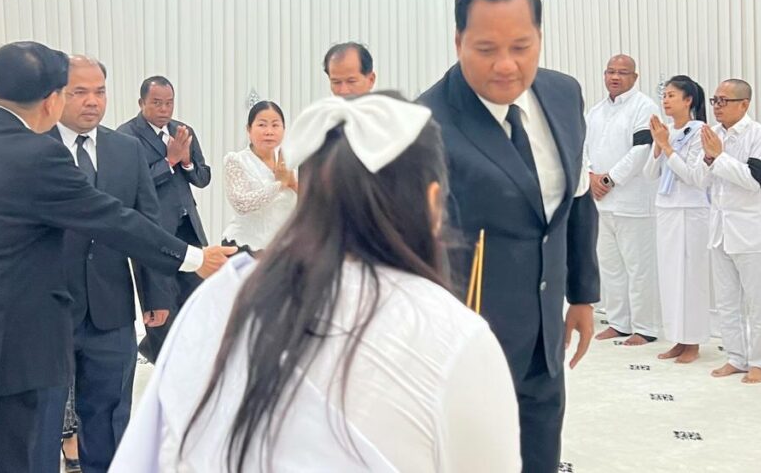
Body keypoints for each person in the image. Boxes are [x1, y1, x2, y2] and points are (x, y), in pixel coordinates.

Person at [112, 94, 521, 472]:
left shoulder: (218, 303)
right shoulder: (454, 334)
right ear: (433, 203)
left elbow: (148, 454)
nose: (268, 130)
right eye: (262, 123)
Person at [0, 41, 234, 472]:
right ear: (52, 98)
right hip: (1, 359)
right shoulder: (34, 153)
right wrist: (195, 258)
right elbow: (110, 218)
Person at [419, 0, 599, 473]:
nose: (506, 65)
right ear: (458, 41)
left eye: (521, 47)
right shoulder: (426, 123)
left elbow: (578, 196)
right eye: (486, 49)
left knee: (540, 457)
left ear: (539, 35)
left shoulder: (563, 95)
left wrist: (581, 294)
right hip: (468, 349)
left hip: (545, 340)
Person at [38, 55, 176, 472]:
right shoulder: (34, 147)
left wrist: (155, 294)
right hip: (45, 309)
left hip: (111, 306)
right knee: (41, 418)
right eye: (79, 92)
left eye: (99, 91)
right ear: (56, 95)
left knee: (110, 413)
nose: (92, 101)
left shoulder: (125, 149)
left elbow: (146, 225)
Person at [118, 76, 212, 362]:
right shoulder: (126, 136)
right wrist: (169, 161)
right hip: (153, 231)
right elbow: (132, 185)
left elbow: (203, 177)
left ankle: (191, 360)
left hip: (188, 227)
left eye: (169, 103)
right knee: (160, 305)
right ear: (141, 103)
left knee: (196, 299)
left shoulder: (182, 131)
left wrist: (186, 162)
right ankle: (161, 360)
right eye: (157, 103)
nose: (164, 109)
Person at [693, 79, 761, 385]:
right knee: (727, 302)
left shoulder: (760, 136)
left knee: (758, 303)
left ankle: (759, 362)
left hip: (751, 233)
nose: (717, 106)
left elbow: (754, 180)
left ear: (744, 104)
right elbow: (699, 180)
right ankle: (735, 357)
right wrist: (708, 158)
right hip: (719, 230)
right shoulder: (712, 134)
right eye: (715, 100)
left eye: (723, 101)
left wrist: (719, 157)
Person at [585, 54, 661, 345]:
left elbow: (642, 149)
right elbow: (582, 149)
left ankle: (645, 327)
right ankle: (619, 323)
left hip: (633, 203)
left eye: (622, 72)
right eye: (610, 72)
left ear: (635, 77)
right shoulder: (595, 111)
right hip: (601, 203)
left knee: (639, 268)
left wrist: (609, 179)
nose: (615, 77)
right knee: (610, 266)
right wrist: (590, 177)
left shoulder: (645, 107)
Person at [642, 75, 711, 363]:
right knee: (670, 276)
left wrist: (668, 147)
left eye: (672, 95)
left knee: (691, 277)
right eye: (665, 96)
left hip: (691, 210)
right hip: (667, 209)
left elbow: (694, 176)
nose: (666, 100)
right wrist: (659, 147)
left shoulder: (700, 131)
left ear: (688, 100)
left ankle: (693, 341)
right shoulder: (666, 130)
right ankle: (678, 338)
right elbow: (649, 174)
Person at [221, 100, 297, 252]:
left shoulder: (293, 159)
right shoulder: (236, 160)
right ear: (249, 129)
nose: (269, 131)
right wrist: (280, 184)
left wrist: (293, 183)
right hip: (245, 246)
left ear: (284, 129)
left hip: (283, 248)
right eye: (262, 125)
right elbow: (241, 204)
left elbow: (315, 201)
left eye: (275, 125)